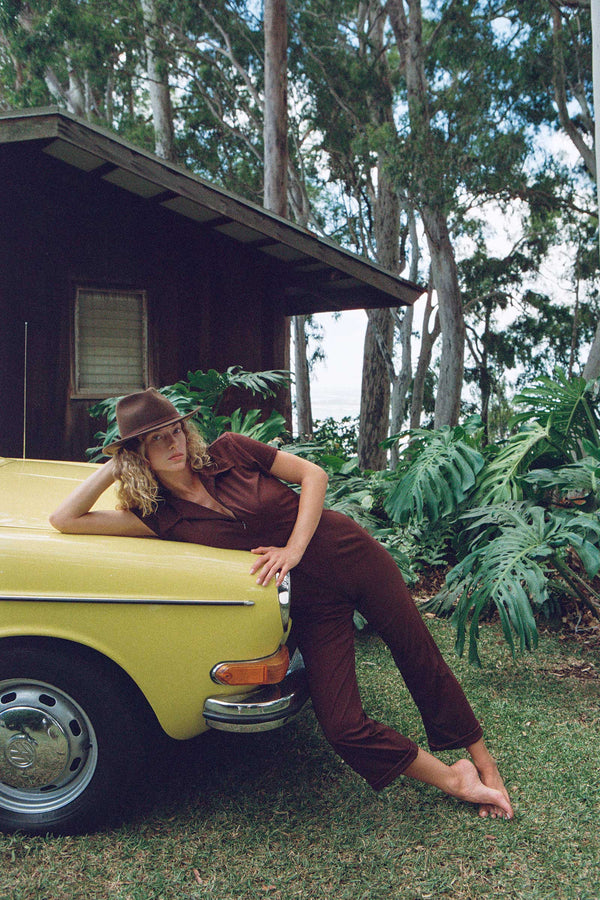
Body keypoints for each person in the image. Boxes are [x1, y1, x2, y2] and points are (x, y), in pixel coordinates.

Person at [50, 388, 514, 820]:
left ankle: (483, 764)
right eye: (155, 440)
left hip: (347, 553)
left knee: (418, 655)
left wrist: (292, 550)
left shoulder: (230, 449)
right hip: (310, 604)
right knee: (343, 727)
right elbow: (66, 519)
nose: (173, 443)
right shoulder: (160, 518)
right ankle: (456, 780)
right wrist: (116, 463)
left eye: (175, 430)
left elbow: (313, 475)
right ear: (139, 454)